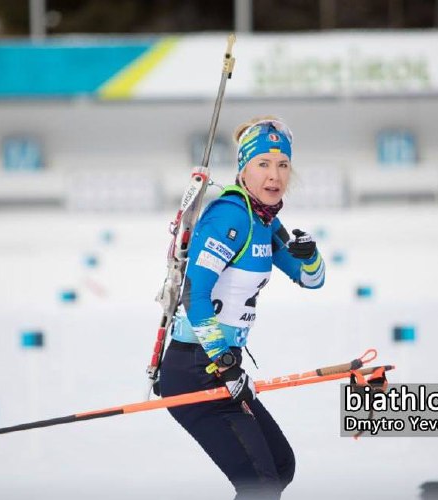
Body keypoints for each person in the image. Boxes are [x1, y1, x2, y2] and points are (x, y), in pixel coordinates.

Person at [159, 116, 326, 499]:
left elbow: (311, 280)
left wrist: (310, 255)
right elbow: (194, 295)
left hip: (219, 366)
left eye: (283, 164)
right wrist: (226, 364)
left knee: (280, 467)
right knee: (260, 484)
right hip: (197, 367)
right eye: (263, 164)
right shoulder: (230, 216)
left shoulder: (264, 222)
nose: (275, 175)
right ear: (243, 169)